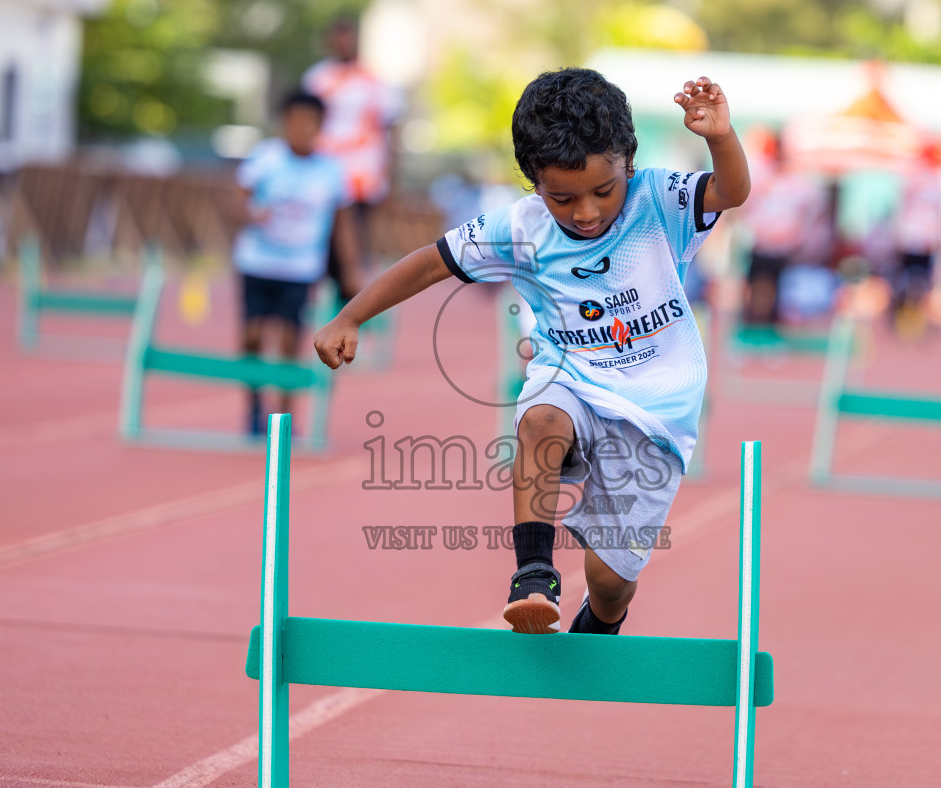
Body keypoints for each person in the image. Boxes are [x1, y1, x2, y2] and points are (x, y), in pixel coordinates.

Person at [314, 68, 749, 635]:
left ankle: (602, 616)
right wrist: (351, 316)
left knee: (610, 577)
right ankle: (534, 575)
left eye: (603, 191)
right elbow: (428, 262)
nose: (586, 213)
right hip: (570, 379)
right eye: (563, 197)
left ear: (629, 164)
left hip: (656, 405)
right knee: (541, 419)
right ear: (534, 183)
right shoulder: (521, 227)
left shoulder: (659, 201)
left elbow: (732, 192)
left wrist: (719, 137)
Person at [234, 91, 361, 436]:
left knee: (291, 341)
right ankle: (254, 407)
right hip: (257, 261)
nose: (302, 129)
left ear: (320, 126)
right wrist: (249, 214)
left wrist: (350, 269)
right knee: (252, 335)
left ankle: (282, 418)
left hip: (301, 267)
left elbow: (342, 224)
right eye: (295, 121)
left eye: (311, 122)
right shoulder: (264, 159)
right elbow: (237, 199)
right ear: (284, 122)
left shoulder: (331, 170)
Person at [302, 19, 401, 301]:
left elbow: (390, 129)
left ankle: (351, 303)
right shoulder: (318, 79)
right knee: (326, 246)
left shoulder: (375, 81)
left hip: (362, 180)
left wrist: (391, 178)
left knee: (355, 247)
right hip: (323, 177)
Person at [737, 127, 828, 324]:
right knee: (755, 285)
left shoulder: (798, 181)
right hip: (762, 243)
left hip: (784, 246)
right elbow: (743, 207)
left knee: (778, 290)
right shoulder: (760, 175)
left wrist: (800, 234)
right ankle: (752, 322)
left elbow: (813, 209)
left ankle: (769, 325)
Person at [889, 137, 941, 333]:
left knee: (919, 280)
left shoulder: (936, 181)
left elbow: (939, 213)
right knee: (909, 279)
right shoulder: (917, 179)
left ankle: (914, 318)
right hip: (914, 238)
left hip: (923, 239)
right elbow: (904, 209)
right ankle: (903, 317)